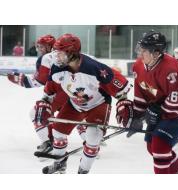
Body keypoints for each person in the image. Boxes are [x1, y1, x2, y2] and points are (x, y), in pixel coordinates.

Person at [34, 33, 131, 174]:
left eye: (60, 53)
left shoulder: (94, 68)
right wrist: (44, 102)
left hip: (99, 104)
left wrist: (123, 102)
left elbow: (120, 89)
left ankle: (83, 171)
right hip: (75, 104)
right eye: (56, 52)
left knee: (93, 139)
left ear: (72, 52)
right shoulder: (57, 68)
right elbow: (49, 92)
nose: (56, 56)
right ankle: (59, 164)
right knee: (57, 131)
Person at [116, 30, 178, 174]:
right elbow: (141, 94)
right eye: (140, 49)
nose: (140, 53)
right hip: (159, 107)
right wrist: (137, 115)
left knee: (160, 148)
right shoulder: (138, 66)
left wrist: (157, 112)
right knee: (151, 147)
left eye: (144, 50)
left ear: (156, 53)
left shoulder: (172, 69)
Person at [7, 35, 67, 154]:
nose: (39, 49)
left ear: (50, 46)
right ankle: (91, 138)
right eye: (38, 46)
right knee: (78, 112)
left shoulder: (46, 58)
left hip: (57, 93)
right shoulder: (65, 54)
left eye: (42, 46)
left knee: (36, 113)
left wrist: (20, 79)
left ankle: (48, 143)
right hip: (73, 91)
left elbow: (39, 81)